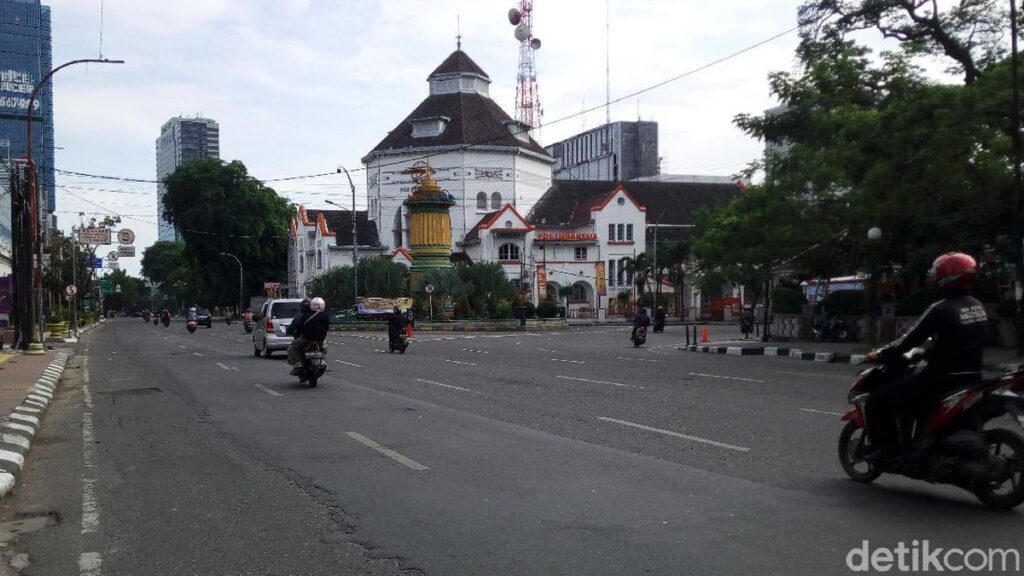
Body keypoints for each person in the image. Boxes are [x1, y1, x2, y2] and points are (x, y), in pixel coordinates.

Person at [863, 252, 988, 461]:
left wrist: (881, 353)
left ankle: (888, 450)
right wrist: (930, 352)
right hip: (972, 377)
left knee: (878, 400)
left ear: (946, 277)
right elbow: (961, 341)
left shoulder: (940, 308)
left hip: (940, 378)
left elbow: (909, 340)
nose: (932, 278)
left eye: (936, 274)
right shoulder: (976, 305)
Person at [287, 297, 330, 374]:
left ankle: (298, 363)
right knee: (324, 348)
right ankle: (322, 361)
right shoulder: (325, 315)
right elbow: (326, 329)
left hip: (307, 339)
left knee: (292, 347)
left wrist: (297, 334)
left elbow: (299, 327)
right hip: (320, 339)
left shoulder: (304, 316)